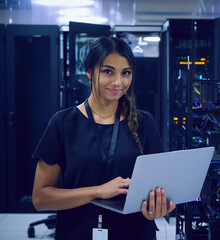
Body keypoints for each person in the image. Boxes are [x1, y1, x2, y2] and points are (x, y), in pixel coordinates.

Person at [32, 36, 175, 240]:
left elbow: (160, 188)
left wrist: (157, 207)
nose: (118, 82)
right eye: (108, 71)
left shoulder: (144, 123)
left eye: (125, 73)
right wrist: (97, 191)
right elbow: (40, 198)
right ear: (90, 72)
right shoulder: (62, 124)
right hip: (78, 232)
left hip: (135, 233)